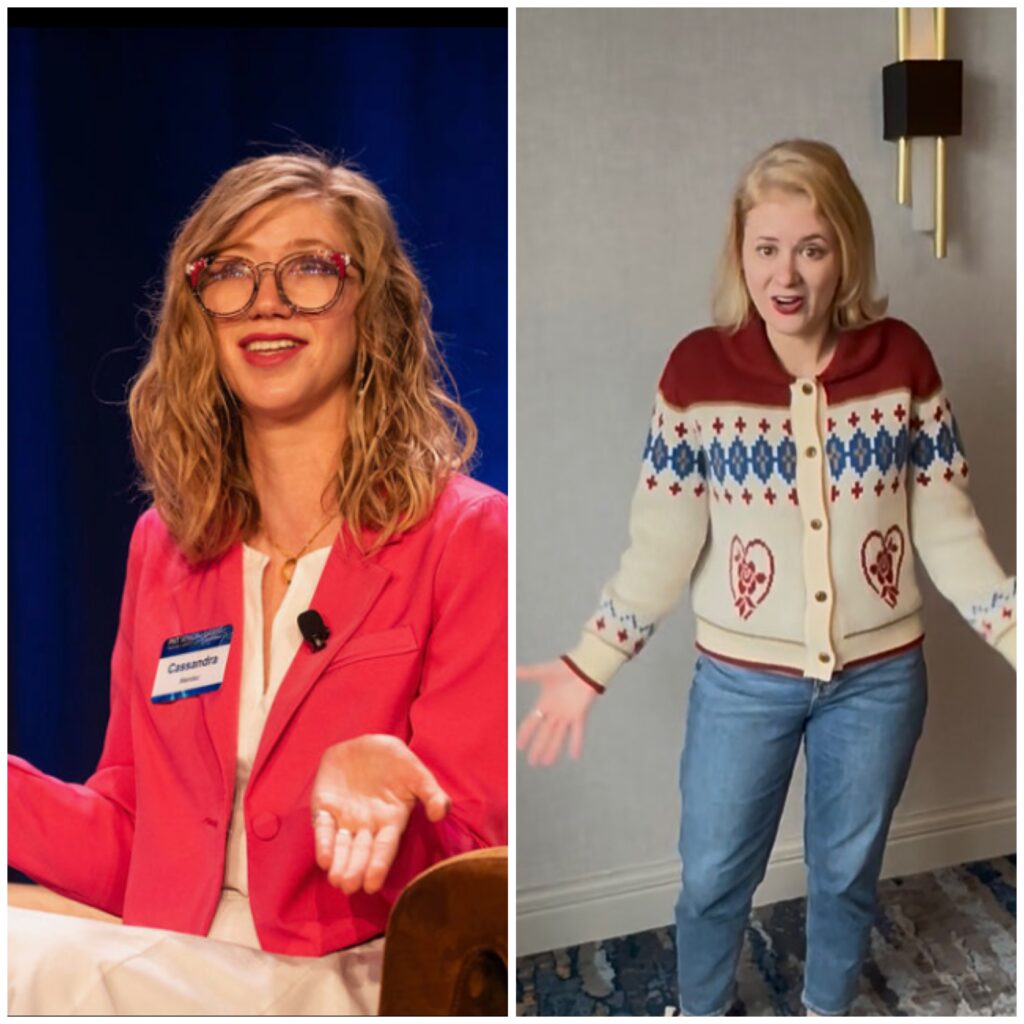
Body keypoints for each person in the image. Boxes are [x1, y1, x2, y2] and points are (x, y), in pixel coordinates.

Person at [517, 139, 1015, 1017]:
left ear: (846, 254)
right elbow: (662, 544)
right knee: (711, 875)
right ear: (739, 252)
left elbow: (945, 527)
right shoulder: (697, 373)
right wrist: (590, 663)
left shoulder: (902, 362)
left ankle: (826, 1009)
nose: (787, 275)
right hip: (741, 683)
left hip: (881, 679)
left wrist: (1016, 633)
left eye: (812, 248)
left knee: (846, 875)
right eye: (766, 248)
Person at [8, 150, 507, 1014]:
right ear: (197, 314)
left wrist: (397, 801)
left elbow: (481, 877)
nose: (266, 300)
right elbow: (135, 835)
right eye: (230, 272)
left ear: (373, 310)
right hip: (176, 953)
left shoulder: (467, 536)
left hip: (347, 972)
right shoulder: (164, 548)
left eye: (310, 269)